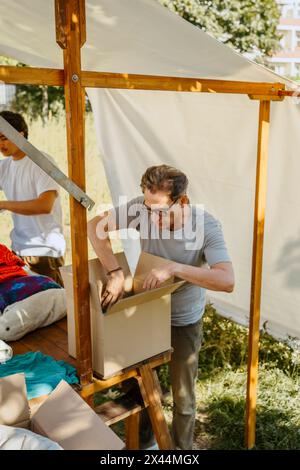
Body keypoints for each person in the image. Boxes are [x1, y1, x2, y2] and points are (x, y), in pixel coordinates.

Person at [87, 164, 234, 450]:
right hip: (145, 313)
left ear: (183, 202)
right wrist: (114, 271)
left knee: (183, 395)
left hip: (184, 319)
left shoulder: (206, 226)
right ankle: (147, 445)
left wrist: (175, 269)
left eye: (161, 211)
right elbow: (94, 226)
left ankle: (180, 449)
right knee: (139, 385)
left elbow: (226, 280)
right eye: (148, 208)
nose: (151, 218)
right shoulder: (142, 208)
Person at [0, 111, 66, 286]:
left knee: (55, 310)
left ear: (20, 135)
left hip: (44, 253)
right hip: (18, 251)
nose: (0, 144)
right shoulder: (4, 166)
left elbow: (44, 205)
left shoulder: (41, 161)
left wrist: (3, 205)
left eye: (4, 137)